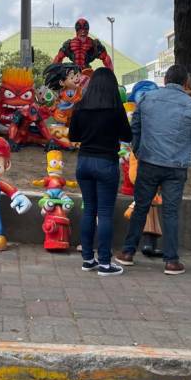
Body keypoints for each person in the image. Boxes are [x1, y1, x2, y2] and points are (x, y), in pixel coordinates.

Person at [116, 65, 191, 275]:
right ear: (186, 83)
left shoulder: (148, 99)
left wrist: (138, 150)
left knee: (141, 206)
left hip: (148, 162)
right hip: (176, 166)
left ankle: (128, 252)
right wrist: (188, 156)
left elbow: (135, 128)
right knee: (171, 212)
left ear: (165, 79)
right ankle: (171, 261)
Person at [68, 67, 131, 276]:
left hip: (84, 162)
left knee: (89, 211)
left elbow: (73, 136)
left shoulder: (80, 107)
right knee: (104, 213)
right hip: (106, 163)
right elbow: (127, 136)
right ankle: (104, 263)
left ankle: (88, 259)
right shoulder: (115, 108)